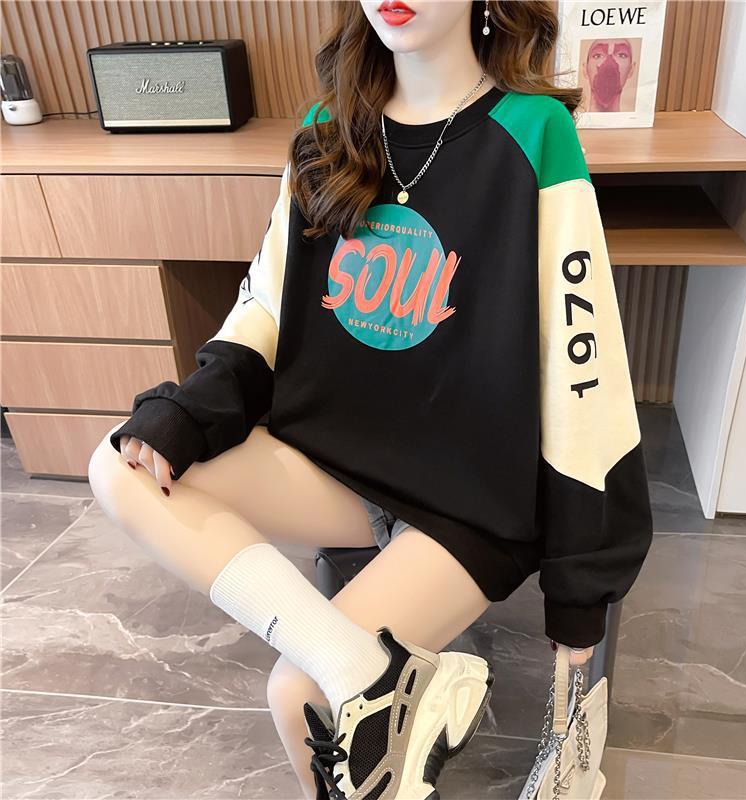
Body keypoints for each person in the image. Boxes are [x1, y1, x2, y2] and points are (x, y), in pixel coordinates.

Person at [88, 1, 653, 798]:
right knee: (122, 463)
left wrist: (579, 600)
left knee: (300, 696)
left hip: (469, 501)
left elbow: (580, 363)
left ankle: (357, 679)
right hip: (339, 467)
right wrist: (190, 411)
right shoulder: (329, 130)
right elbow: (269, 306)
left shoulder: (532, 134)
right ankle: (366, 672)